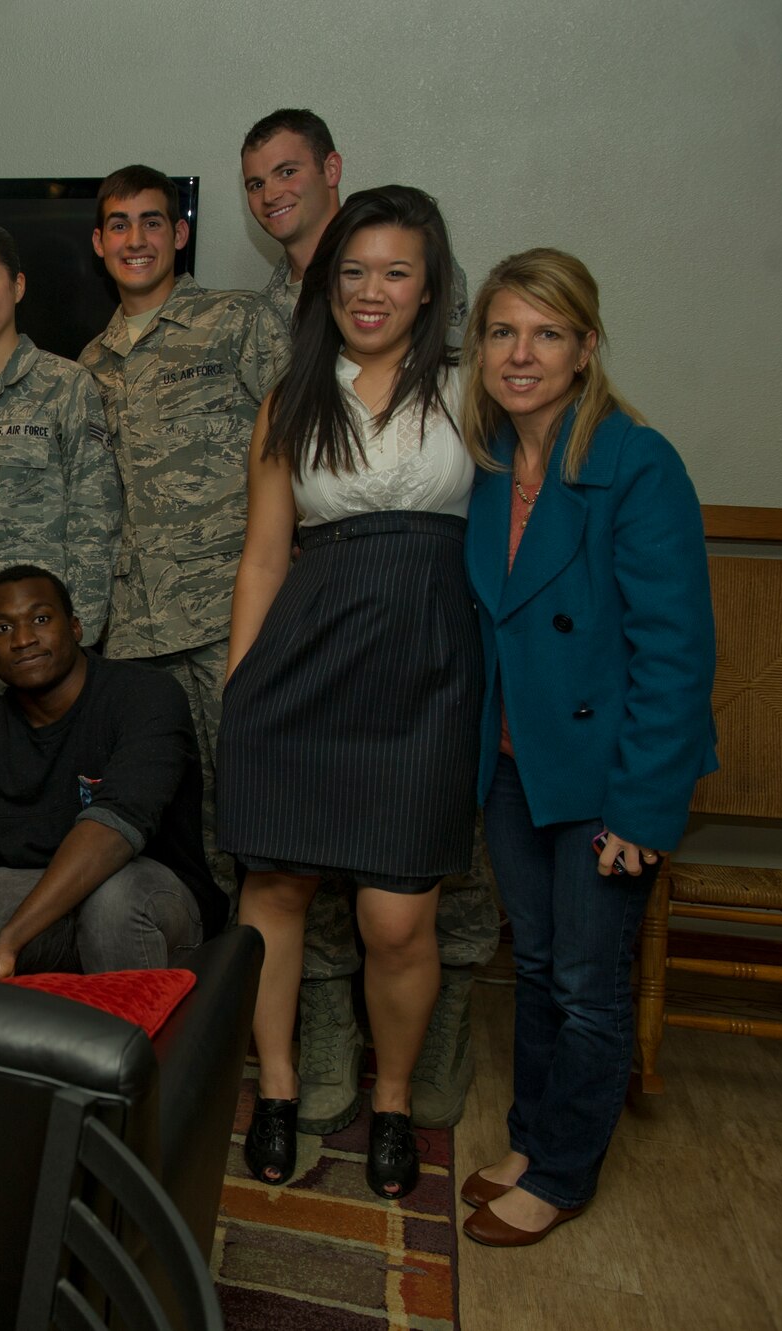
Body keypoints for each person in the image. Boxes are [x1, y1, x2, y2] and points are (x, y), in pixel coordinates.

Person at [217, 185, 479, 1200]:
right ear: (327, 283)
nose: (371, 291)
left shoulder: (468, 390)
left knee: (396, 919)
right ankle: (278, 1088)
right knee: (276, 890)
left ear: (429, 287)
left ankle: (393, 1100)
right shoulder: (291, 398)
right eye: (353, 270)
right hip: (300, 672)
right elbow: (262, 558)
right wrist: (241, 693)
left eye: (395, 272)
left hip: (426, 677)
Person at [457, 249, 715, 1246]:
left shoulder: (636, 463)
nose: (520, 354)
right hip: (514, 766)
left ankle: (564, 1171)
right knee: (535, 965)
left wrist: (643, 809)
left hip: (607, 775)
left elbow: (675, 652)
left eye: (546, 333)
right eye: (502, 331)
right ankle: (532, 1138)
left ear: (585, 348)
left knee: (586, 982)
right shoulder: (488, 462)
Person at [78, 163, 286, 903]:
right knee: (176, 823)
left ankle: (309, 973)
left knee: (270, 802)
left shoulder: (238, 322)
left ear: (180, 233)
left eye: (152, 222)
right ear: (99, 243)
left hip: (235, 616)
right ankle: (208, 959)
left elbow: (305, 444)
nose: (136, 239)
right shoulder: (89, 365)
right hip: (137, 633)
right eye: (119, 225)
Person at [0, 566, 220, 977]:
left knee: (113, 901)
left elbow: (114, 829)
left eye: (41, 619)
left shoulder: (146, 695)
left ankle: (135, 1022)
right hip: (40, 897)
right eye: (2, 628)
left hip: (153, 898)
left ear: (76, 627)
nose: (23, 639)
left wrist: (10, 940)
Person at [0, 220, 121, 703]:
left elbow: (95, 520)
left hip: (33, 650)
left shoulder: (65, 386)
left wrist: (78, 638)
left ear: (17, 285)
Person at [240, 108, 470, 342]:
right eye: (256, 185)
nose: (270, 195)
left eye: (287, 172)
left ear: (331, 170)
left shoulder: (408, 258)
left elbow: (452, 360)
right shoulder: (267, 306)